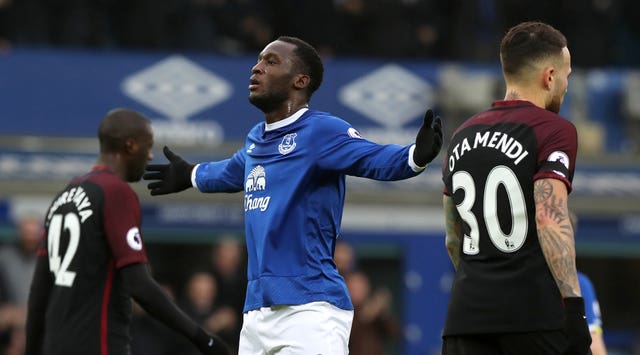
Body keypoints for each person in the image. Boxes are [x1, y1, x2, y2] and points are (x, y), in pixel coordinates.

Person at [143, 35, 443, 354]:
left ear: (300, 80)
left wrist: (415, 156)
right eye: (258, 59)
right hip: (257, 314)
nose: (256, 68)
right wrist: (190, 174)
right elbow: (231, 171)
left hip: (310, 311)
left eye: (271, 61)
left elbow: (374, 159)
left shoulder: (321, 131)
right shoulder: (257, 140)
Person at [25, 108, 230, 355]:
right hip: (96, 345)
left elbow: (39, 292)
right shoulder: (115, 192)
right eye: (148, 146)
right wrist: (201, 337)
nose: (151, 156)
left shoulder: (64, 196)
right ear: (131, 146)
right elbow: (140, 285)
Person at [441, 21, 591, 355]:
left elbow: (453, 238)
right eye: (567, 75)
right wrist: (574, 306)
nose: (566, 85)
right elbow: (550, 219)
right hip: (534, 319)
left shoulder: (461, 135)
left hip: (465, 320)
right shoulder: (554, 130)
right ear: (549, 76)